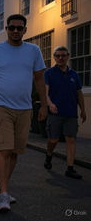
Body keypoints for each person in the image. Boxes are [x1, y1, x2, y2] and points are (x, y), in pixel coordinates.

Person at [0, 14, 47, 212]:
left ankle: (0, 186)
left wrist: (45, 105)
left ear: (25, 29)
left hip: (25, 108)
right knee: (5, 150)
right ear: (6, 29)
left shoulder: (34, 51)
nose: (15, 31)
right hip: (0, 106)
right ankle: (4, 194)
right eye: (12, 27)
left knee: (15, 152)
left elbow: (40, 80)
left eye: (19, 28)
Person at [43, 46, 86, 179]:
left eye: (63, 55)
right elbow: (45, 93)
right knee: (53, 140)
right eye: (58, 56)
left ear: (68, 56)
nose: (60, 58)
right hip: (55, 113)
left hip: (70, 113)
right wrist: (50, 104)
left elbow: (79, 93)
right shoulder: (49, 73)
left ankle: (70, 168)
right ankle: (49, 155)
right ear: (55, 57)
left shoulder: (74, 75)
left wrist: (83, 110)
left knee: (71, 139)